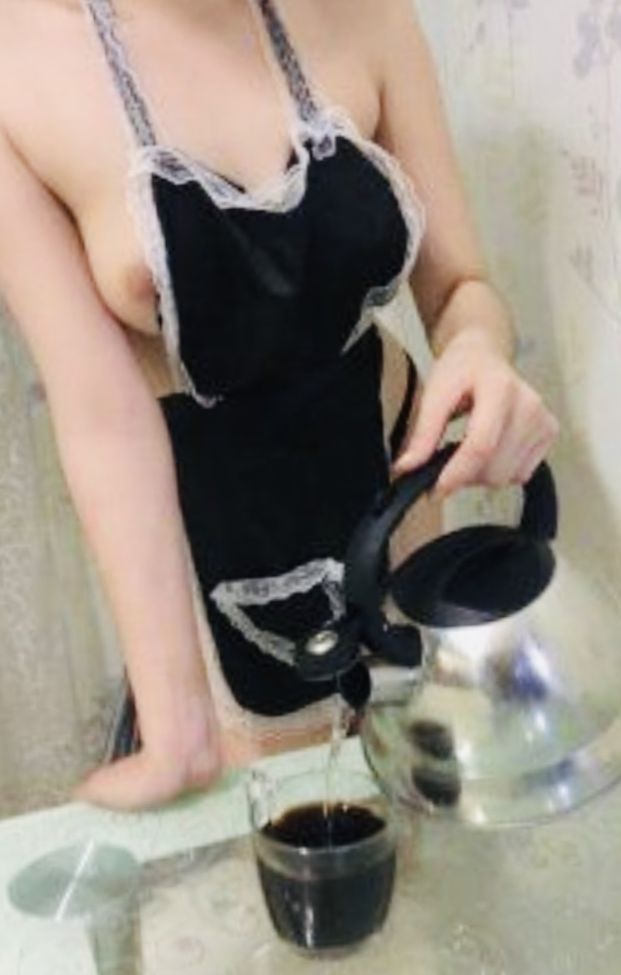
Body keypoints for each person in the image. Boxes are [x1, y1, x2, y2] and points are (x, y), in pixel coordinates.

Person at [0, 0, 559, 810]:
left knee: (416, 812)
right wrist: (177, 724)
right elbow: (101, 415)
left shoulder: (367, 15)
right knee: (263, 838)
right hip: (203, 534)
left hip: (391, 495)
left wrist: (477, 348)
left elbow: (461, 289)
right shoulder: (18, 62)